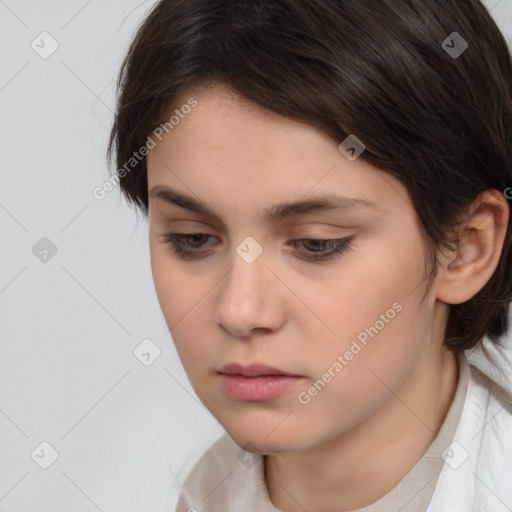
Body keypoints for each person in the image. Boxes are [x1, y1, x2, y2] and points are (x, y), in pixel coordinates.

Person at [107, 0, 512, 510]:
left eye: (317, 243)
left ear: (465, 249)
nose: (239, 310)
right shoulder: (205, 493)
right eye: (193, 238)